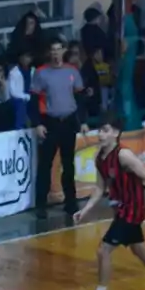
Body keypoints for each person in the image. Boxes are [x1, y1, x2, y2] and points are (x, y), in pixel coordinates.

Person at [71, 114, 145, 290]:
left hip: (132, 210)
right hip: (120, 209)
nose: (101, 134)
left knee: (103, 250)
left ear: (116, 133)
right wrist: (85, 210)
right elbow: (100, 188)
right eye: (100, 130)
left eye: (106, 130)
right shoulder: (99, 157)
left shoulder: (124, 156)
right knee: (139, 249)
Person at [29, 39, 85, 218]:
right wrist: (38, 123)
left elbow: (80, 98)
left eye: (58, 50)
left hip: (68, 121)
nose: (55, 53)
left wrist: (83, 121)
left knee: (68, 164)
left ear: (64, 51)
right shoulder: (41, 73)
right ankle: (41, 205)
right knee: (45, 165)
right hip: (50, 122)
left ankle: (71, 202)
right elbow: (33, 102)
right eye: (52, 50)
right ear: (49, 53)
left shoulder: (72, 71)